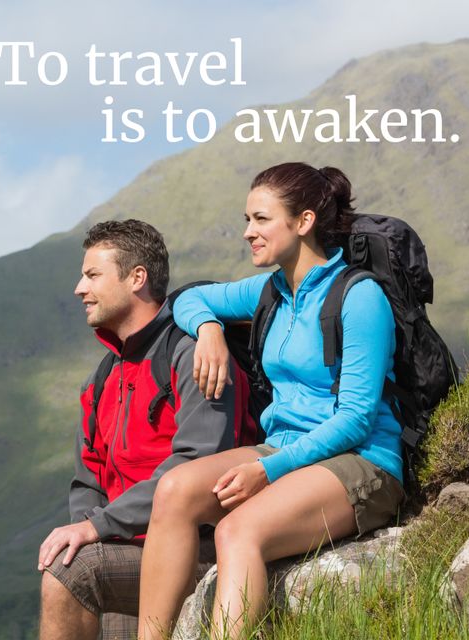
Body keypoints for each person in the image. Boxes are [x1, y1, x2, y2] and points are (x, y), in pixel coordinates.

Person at [137, 162, 406, 640]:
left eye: (261, 220)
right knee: (175, 491)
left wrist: (267, 472)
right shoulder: (272, 292)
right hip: (283, 447)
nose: (248, 233)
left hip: (359, 461)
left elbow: (357, 419)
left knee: (237, 531)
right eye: (247, 219)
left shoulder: (360, 297)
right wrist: (210, 329)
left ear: (303, 222)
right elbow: (187, 300)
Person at [37, 220, 252, 640]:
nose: (80, 288)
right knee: (77, 555)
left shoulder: (193, 355)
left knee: (72, 570)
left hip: (197, 547)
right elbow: (88, 477)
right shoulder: (100, 381)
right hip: (128, 545)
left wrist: (97, 530)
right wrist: (91, 530)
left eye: (93, 275)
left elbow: (197, 466)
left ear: (137, 278)